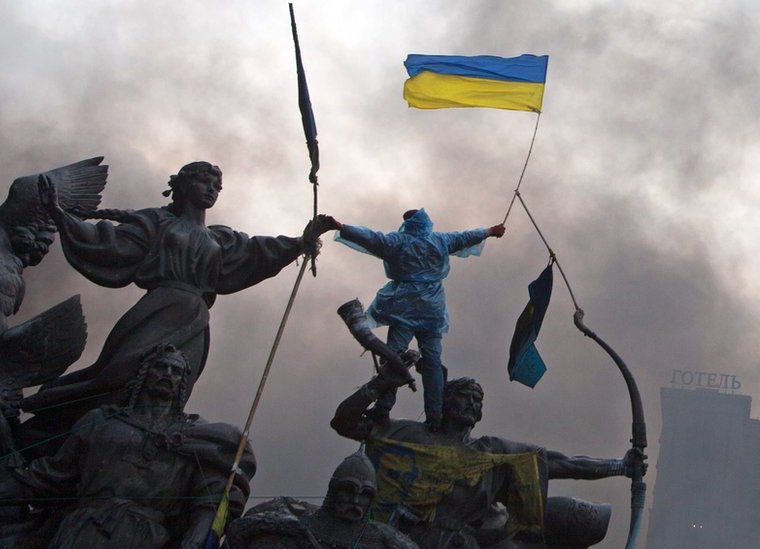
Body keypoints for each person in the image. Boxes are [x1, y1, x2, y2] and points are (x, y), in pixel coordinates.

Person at [21, 161, 336, 428]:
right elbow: (111, 244)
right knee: (118, 376)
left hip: (196, 318)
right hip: (158, 308)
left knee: (173, 386)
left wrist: (301, 241)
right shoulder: (155, 222)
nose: (212, 188)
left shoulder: (221, 238)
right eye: (204, 181)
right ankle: (52, 423)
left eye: (217, 185)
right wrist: (60, 215)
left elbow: (256, 252)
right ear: (182, 185)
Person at [0, 344, 255, 548]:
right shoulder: (102, 422)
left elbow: (212, 497)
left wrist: (195, 539)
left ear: (182, 384)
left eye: (176, 371)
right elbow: (48, 476)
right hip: (83, 530)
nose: (168, 375)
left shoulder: (198, 438)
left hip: (145, 537)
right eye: (160, 367)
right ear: (143, 375)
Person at [331, 373, 643, 548]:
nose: (471, 404)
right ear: (442, 400)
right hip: (386, 538)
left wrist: (619, 466)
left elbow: (563, 463)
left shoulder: (491, 454)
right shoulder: (402, 432)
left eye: (476, 400)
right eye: (463, 396)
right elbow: (344, 422)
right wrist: (379, 384)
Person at [331, 209, 505, 429]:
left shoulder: (397, 241)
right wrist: (490, 231)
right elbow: (466, 237)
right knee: (432, 362)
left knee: (393, 356)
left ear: (407, 223)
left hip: (403, 309)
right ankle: (435, 417)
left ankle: (383, 408)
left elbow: (370, 237)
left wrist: (341, 227)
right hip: (432, 311)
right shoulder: (440, 240)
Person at [225, 451, 417, 548]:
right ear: (334, 491)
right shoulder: (290, 529)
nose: (356, 500)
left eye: (365, 494)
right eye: (348, 491)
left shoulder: (382, 540)